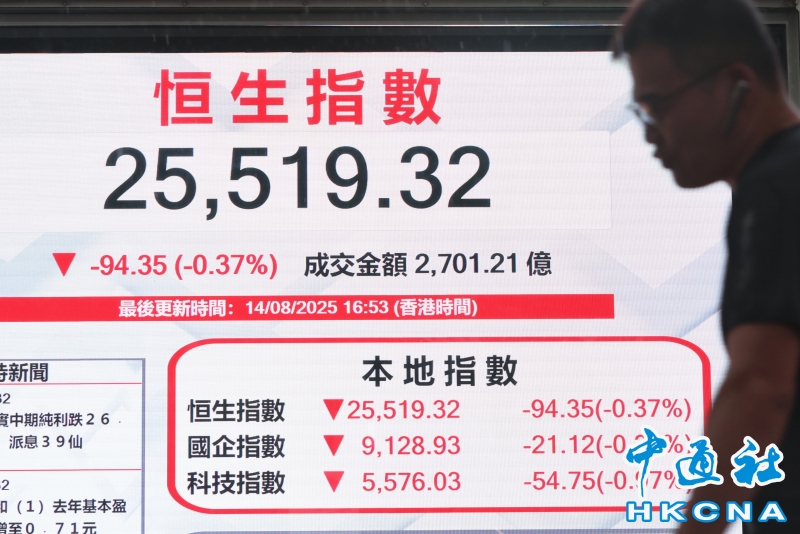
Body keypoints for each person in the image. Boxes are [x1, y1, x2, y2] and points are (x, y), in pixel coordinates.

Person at [614, 0, 800, 531]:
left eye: (658, 106)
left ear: (738, 85)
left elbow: (760, 386)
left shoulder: (776, 189)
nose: (649, 133)